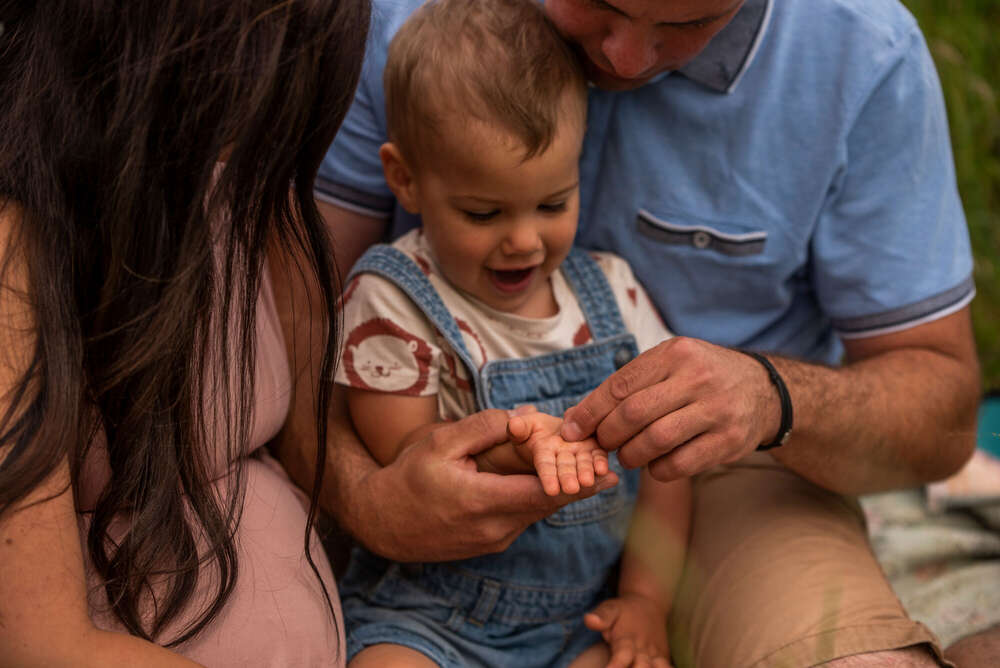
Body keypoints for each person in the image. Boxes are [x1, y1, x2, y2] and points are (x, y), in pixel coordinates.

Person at [284, 0, 982, 666]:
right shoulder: (389, 24)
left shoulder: (862, 51)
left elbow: (943, 417)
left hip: (721, 470)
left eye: (689, 22)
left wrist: (774, 397)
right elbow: (287, 330)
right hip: (432, 555)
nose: (623, 58)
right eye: (597, 4)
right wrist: (363, 496)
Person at [0, 0, 369, 665]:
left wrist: (381, 494)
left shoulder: (233, 170)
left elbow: (300, 426)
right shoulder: (15, 249)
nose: (275, 118)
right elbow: (43, 644)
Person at [331, 2, 690, 665]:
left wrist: (644, 601)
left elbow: (667, 463)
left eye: (553, 203)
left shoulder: (611, 292)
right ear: (405, 178)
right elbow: (408, 453)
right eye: (482, 211)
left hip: (574, 620)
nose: (523, 241)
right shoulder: (391, 298)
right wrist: (515, 451)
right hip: (429, 616)